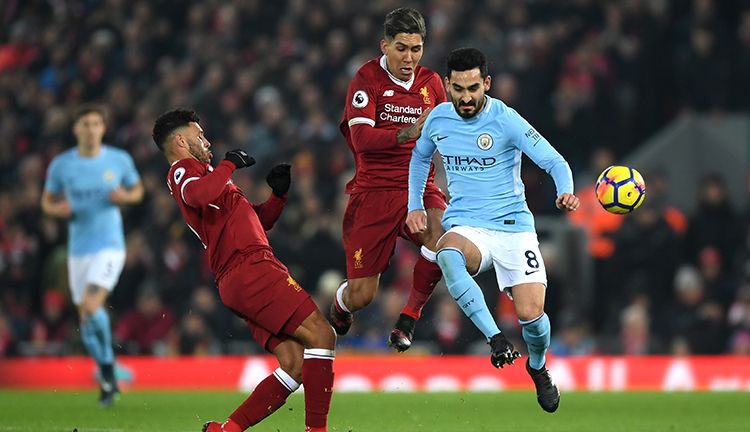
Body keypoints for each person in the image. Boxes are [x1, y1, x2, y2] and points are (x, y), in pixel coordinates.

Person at [406, 48, 580, 413]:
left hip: (514, 227)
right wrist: (415, 206)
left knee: (533, 318)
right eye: (457, 89)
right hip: (467, 225)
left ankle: (538, 366)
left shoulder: (507, 120)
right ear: (448, 86)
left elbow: (554, 160)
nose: (465, 97)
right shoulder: (437, 120)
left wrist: (565, 190)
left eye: (472, 87)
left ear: (486, 83)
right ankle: (496, 339)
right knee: (447, 253)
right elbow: (420, 157)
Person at [152, 109, 335, 432]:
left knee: (294, 365)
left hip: (242, 272)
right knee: (322, 334)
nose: (206, 141)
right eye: (199, 135)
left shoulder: (207, 176)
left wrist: (278, 197)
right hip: (249, 267)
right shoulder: (183, 171)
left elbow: (256, 221)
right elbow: (198, 194)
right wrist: (229, 164)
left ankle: (228, 430)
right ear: (180, 140)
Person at [330, 7, 448, 352]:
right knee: (363, 295)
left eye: (416, 48)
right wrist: (408, 131)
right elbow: (362, 140)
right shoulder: (365, 80)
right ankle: (341, 302)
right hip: (374, 194)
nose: (409, 57)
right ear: (384, 45)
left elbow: (451, 131)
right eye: (401, 48)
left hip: (419, 186)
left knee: (443, 240)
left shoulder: (432, 84)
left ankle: (409, 317)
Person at [41, 104, 143, 406]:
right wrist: (56, 209)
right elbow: (46, 201)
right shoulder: (61, 165)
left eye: (96, 123)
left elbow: (137, 191)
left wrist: (124, 197)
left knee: (90, 304)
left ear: (103, 128)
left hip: (110, 245)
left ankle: (108, 371)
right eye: (85, 124)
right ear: (76, 129)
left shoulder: (118, 160)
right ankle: (108, 372)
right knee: (86, 319)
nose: (90, 129)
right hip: (78, 251)